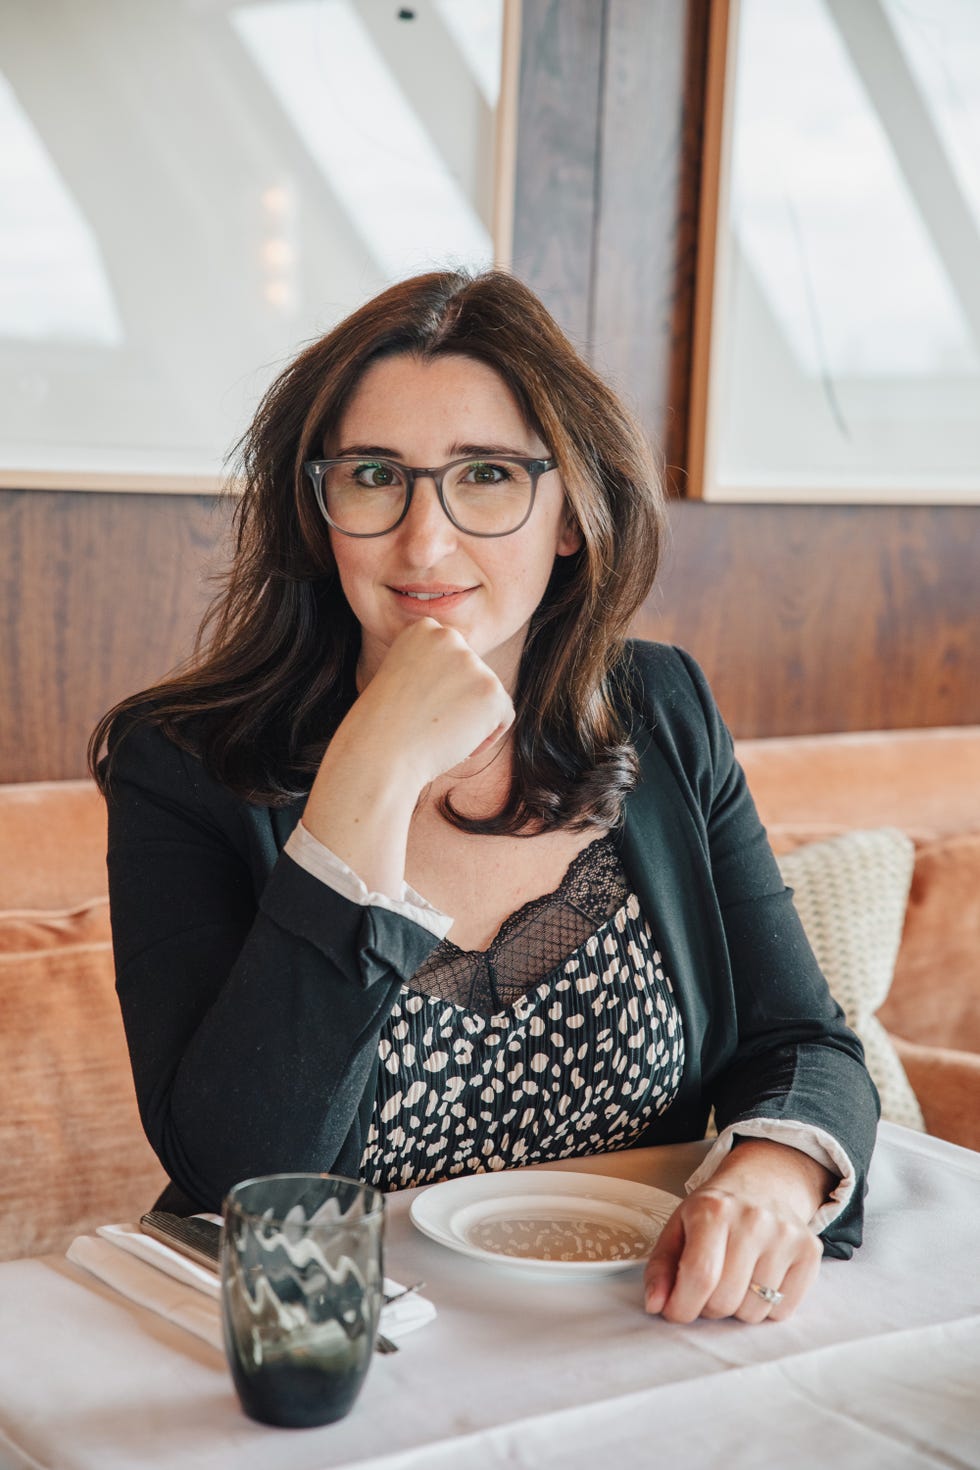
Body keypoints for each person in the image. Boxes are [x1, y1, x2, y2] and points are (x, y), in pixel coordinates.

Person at [91, 269, 878, 1326]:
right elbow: (244, 1179)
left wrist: (768, 1175)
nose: (424, 541)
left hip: (637, 1331)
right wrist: (362, 781)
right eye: (375, 475)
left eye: (488, 476)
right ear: (318, 509)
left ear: (569, 514)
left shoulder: (660, 709)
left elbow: (801, 1042)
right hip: (340, 1359)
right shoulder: (181, 762)